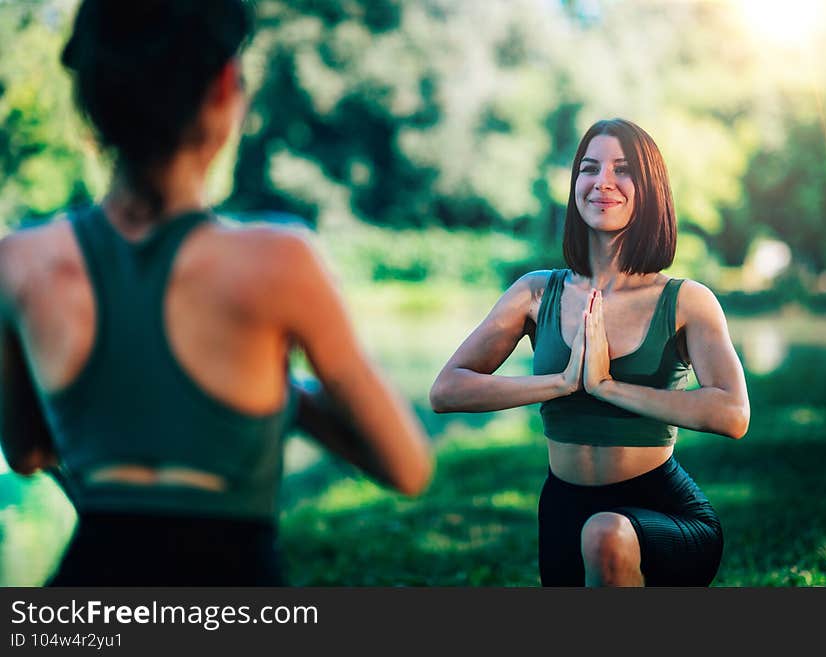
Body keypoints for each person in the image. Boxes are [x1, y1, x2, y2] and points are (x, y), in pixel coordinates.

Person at [0, 0, 432, 586]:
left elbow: (26, 453)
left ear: (95, 99)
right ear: (225, 86)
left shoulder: (19, 262)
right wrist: (287, 398)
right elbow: (406, 465)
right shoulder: (282, 260)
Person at [430, 118, 749, 587]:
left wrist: (607, 385)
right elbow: (447, 390)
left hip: (660, 511)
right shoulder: (535, 292)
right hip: (562, 509)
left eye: (623, 170)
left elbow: (732, 413)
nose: (602, 182)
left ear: (650, 188)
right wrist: (562, 383)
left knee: (605, 535)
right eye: (588, 167)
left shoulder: (686, 301)